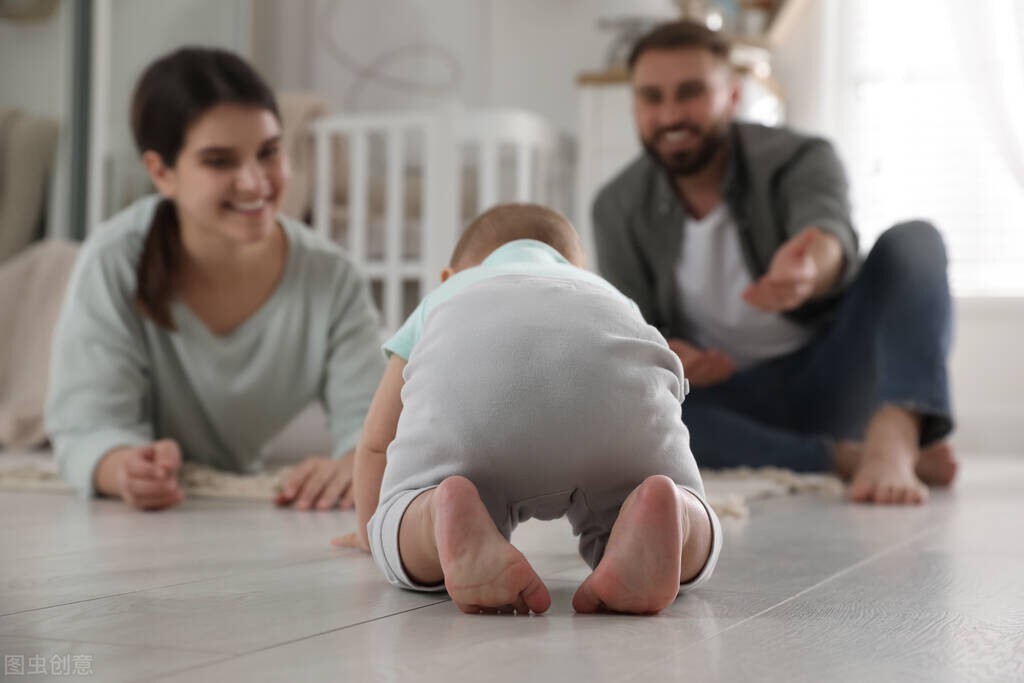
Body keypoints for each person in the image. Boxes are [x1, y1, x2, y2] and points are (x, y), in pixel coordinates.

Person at [592, 20, 957, 506]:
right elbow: (637, 336)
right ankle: (844, 458)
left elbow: (828, 232)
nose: (670, 114)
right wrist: (676, 356)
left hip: (832, 373)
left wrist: (811, 268)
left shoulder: (799, 157)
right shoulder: (616, 206)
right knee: (633, 412)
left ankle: (896, 432)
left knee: (915, 241)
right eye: (652, 98)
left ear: (732, 96)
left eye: (691, 92)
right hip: (728, 402)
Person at [334, 204, 721, 615]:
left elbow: (377, 442)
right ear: (578, 270)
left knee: (406, 515)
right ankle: (672, 515)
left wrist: (372, 531)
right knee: (665, 502)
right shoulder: (608, 295)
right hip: (611, 405)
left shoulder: (446, 295)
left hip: (475, 417)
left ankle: (435, 517)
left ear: (450, 276)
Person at [45, 48, 385, 511]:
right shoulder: (112, 260)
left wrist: (353, 462)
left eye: (268, 152)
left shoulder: (333, 278)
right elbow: (87, 427)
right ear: (161, 172)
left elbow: (374, 428)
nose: (253, 182)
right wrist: (123, 466)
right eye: (219, 161)